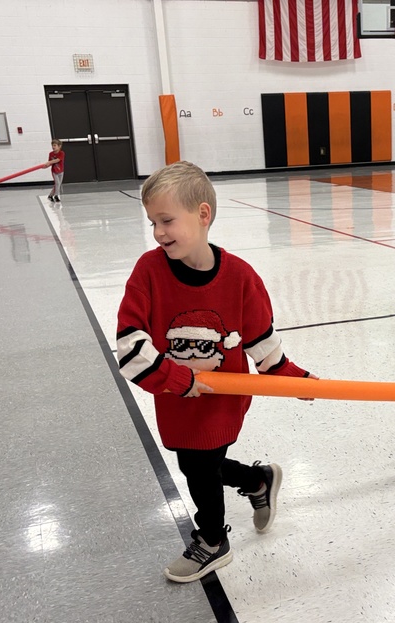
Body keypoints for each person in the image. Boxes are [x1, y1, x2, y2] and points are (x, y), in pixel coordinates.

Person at [116, 160, 314, 583]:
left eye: (167, 220)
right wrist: (178, 380)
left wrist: (294, 378)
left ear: (202, 214)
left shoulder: (241, 277)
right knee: (195, 464)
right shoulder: (148, 273)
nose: (158, 233)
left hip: (222, 400)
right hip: (175, 398)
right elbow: (130, 347)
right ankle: (257, 480)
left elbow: (263, 345)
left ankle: (212, 541)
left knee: (201, 467)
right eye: (153, 222)